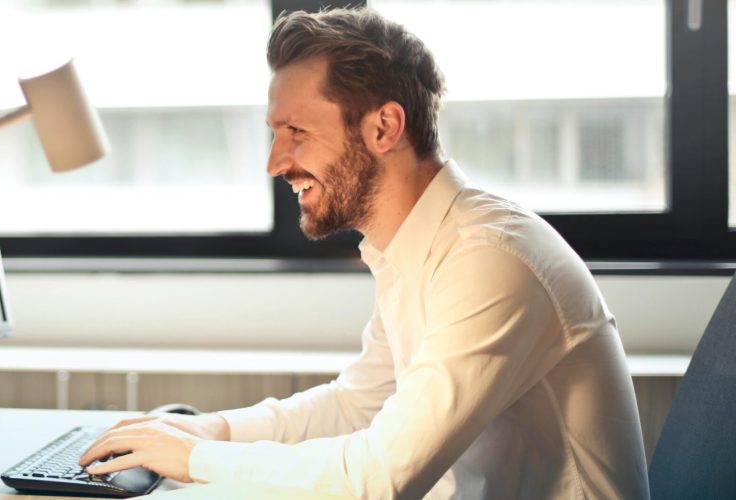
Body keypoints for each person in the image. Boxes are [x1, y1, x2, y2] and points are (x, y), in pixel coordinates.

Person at [78, 7, 649, 499]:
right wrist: (209, 432)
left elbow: (378, 480)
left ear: (384, 127)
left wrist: (192, 460)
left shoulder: (490, 260)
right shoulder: (413, 248)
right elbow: (358, 405)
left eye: (296, 131)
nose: (275, 163)